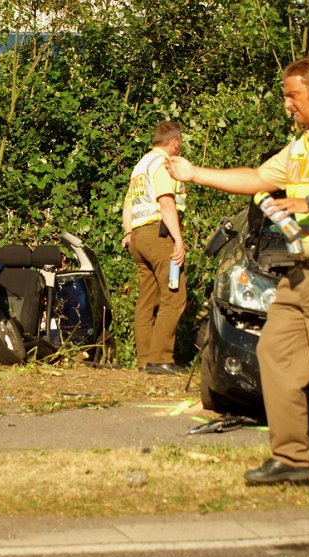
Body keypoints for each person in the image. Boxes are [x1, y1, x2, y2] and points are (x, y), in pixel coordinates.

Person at [167, 56, 309, 498]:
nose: (287, 104)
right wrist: (195, 174)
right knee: (275, 354)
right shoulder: (303, 145)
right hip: (302, 273)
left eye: (292, 95)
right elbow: (258, 178)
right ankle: (291, 459)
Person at [121, 121, 188, 374]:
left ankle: (145, 360)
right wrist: (178, 240)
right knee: (174, 297)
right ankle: (161, 359)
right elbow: (166, 203)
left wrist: (129, 232)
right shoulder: (162, 164)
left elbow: (128, 204)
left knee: (147, 300)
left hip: (138, 237)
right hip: (159, 236)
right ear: (175, 142)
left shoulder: (140, 166)